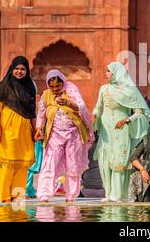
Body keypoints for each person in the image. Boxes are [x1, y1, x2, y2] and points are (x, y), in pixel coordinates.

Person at [93, 62, 150, 202]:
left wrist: (127, 120)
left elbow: (140, 112)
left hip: (121, 130)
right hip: (106, 131)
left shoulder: (129, 90)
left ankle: (118, 195)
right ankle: (108, 193)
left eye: (108, 71)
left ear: (116, 72)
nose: (106, 73)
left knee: (120, 160)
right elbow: (98, 107)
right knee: (105, 160)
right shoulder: (104, 89)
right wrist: (94, 115)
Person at [35, 69, 94, 203]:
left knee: (73, 165)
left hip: (73, 134)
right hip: (54, 134)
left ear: (63, 82)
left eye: (58, 86)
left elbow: (81, 107)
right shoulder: (46, 95)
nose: (55, 89)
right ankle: (44, 195)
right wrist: (39, 128)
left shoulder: (71, 90)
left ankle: (71, 196)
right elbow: (41, 114)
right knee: (49, 163)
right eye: (52, 86)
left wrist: (68, 103)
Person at [0, 56, 36, 202]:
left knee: (21, 164)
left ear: (27, 71)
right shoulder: (4, 86)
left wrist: (35, 130)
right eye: (17, 69)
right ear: (12, 69)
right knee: (7, 162)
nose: (19, 72)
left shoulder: (29, 88)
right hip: (7, 130)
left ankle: (17, 195)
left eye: (23, 69)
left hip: (24, 131)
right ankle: (3, 195)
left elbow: (32, 112)